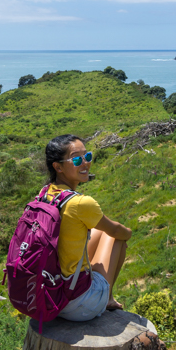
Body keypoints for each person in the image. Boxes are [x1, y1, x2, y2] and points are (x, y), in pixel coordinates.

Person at [45, 133, 132, 322]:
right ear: (58, 167)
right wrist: (128, 232)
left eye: (88, 156)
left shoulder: (45, 194)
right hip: (77, 305)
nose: (85, 163)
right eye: (77, 159)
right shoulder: (80, 203)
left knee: (97, 231)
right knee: (116, 237)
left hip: (50, 296)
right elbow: (117, 231)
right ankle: (107, 298)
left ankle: (98, 290)